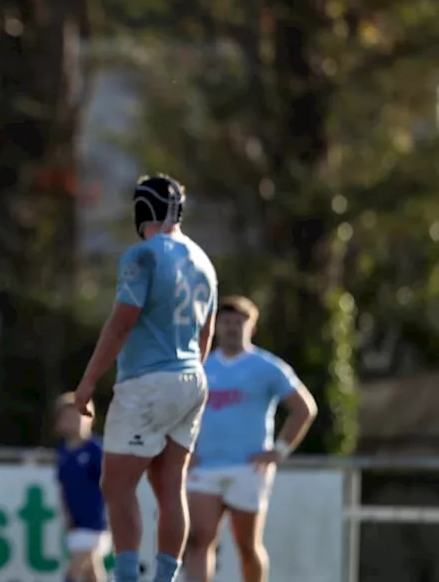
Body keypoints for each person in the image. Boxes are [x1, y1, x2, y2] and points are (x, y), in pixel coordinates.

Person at [72, 174, 217, 582]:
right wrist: (187, 379)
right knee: (170, 484)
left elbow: (121, 324)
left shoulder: (143, 255)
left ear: (142, 209)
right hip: (192, 377)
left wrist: (87, 383)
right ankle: (165, 578)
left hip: (148, 382)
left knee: (116, 486)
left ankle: (127, 578)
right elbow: (205, 333)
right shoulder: (204, 260)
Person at [183, 296, 317, 582]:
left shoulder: (267, 367)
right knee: (198, 540)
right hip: (205, 466)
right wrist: (185, 449)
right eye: (226, 322)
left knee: (246, 545)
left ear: (251, 327)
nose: (232, 328)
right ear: (216, 326)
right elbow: (179, 411)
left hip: (248, 468)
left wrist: (279, 450)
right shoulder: (200, 366)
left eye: (239, 322)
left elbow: (304, 409)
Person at [53, 393, 109, 582]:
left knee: (73, 572)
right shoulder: (63, 453)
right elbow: (63, 487)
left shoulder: (96, 451)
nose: (74, 421)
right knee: (91, 573)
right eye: (68, 417)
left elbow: (110, 485)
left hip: (95, 522)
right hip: (76, 523)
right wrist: (66, 514)